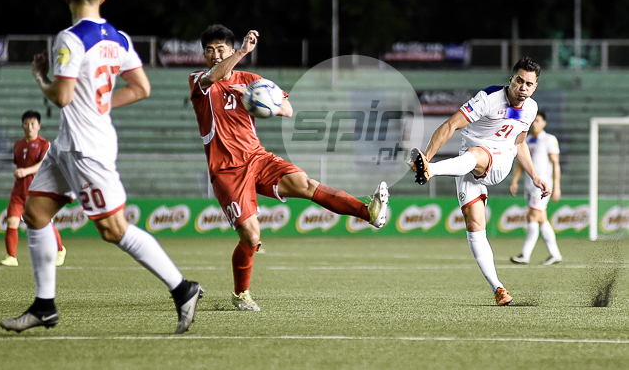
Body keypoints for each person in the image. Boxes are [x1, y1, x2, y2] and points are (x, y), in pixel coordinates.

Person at [0, 0, 202, 335]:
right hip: (68, 146)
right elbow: (141, 87)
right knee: (35, 213)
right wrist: (100, 103)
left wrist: (41, 79)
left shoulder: (70, 38)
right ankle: (45, 306)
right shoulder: (119, 37)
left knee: (113, 229)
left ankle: (183, 288)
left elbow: (61, 97)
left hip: (87, 150)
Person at [189, 24, 389, 311]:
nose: (215, 55)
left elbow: (287, 108)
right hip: (226, 169)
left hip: (256, 158)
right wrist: (244, 52)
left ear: (229, 50)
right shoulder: (199, 81)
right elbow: (214, 76)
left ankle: (368, 212)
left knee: (304, 183)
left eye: (221, 49)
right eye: (209, 51)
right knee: (251, 236)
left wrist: (260, 102)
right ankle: (240, 294)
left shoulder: (250, 79)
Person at [408, 57, 550, 306]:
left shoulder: (531, 109)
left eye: (529, 83)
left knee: (475, 155)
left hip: (500, 159)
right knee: (475, 227)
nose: (523, 87)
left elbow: (518, 143)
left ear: (535, 86)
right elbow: (450, 124)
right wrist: (426, 154)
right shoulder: (488, 99)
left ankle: (431, 170)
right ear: (511, 79)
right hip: (469, 159)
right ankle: (499, 289)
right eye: (519, 80)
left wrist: (535, 176)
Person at [0, 110, 66, 267]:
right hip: (19, 191)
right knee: (12, 221)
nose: (29, 127)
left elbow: (43, 164)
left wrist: (25, 171)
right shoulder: (18, 145)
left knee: (44, 223)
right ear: (22, 126)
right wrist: (20, 172)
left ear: (39, 126)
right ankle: (12, 257)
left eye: (32, 124)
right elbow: (18, 163)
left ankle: (60, 250)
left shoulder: (44, 144)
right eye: (26, 124)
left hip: (37, 191)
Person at [509, 111, 563, 265]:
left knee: (532, 217)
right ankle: (555, 255)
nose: (535, 124)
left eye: (538, 121)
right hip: (529, 186)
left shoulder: (549, 139)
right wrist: (515, 181)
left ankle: (525, 255)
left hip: (542, 186)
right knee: (541, 219)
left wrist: (557, 187)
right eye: (533, 121)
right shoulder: (526, 141)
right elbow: (521, 162)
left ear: (544, 123)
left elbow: (555, 164)